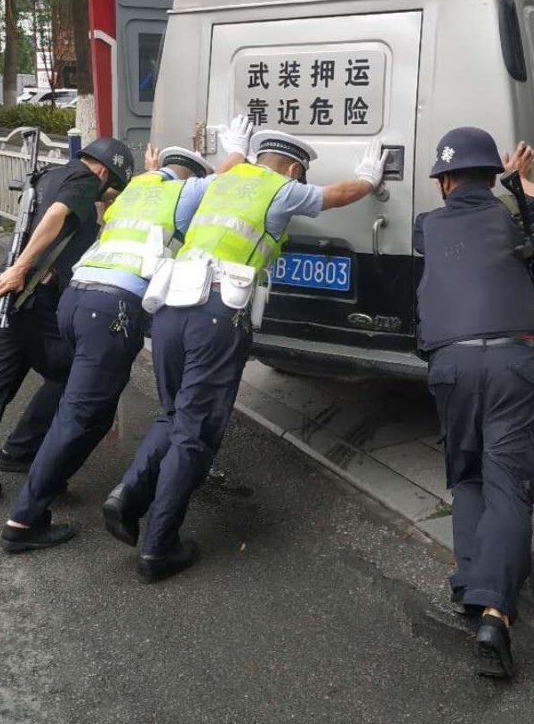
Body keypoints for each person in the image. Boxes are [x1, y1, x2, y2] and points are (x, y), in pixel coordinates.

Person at [107, 129, 388, 582]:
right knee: (194, 432)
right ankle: (159, 547)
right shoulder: (280, 188)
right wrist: (369, 179)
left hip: (170, 311)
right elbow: (336, 196)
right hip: (215, 315)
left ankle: (127, 496)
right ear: (294, 168)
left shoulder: (221, 180)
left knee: (174, 412)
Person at [0, 130, 250, 553]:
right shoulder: (184, 194)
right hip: (110, 310)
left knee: (90, 413)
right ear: (190, 178)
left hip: (77, 301)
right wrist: (238, 148)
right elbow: (226, 177)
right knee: (78, 415)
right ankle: (23, 520)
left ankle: (48, 479)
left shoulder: (137, 190)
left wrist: (154, 171)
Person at [414, 127, 534, 680]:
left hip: (452, 364)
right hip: (516, 362)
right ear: (491, 175)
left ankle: (472, 589)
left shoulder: (426, 226)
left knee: (467, 476)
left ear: (445, 182)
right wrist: (519, 177)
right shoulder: (515, 214)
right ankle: (496, 610)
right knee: (510, 484)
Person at [0, 137, 136, 516]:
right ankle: (24, 450)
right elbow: (55, 217)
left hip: (2, 297)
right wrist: (23, 268)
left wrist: (12, 271)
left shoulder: (48, 175)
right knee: (71, 374)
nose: (104, 198)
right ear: (102, 171)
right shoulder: (82, 181)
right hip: (31, 299)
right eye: (109, 188)